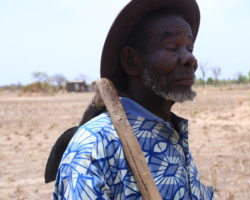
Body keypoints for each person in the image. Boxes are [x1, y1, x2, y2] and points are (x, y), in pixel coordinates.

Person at [53, 0, 213, 199]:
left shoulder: (171, 132)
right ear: (131, 61)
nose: (191, 59)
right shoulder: (95, 145)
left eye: (190, 48)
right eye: (172, 47)